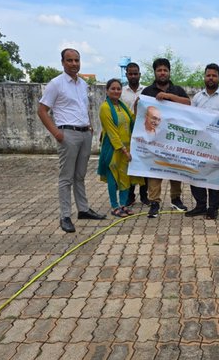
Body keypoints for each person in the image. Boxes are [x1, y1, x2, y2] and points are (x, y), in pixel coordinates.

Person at [36, 48, 106, 233]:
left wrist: (89, 125)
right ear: (62, 62)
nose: (74, 64)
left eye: (77, 60)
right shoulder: (56, 84)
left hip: (84, 133)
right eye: (70, 60)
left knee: (80, 176)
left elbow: (83, 107)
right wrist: (56, 133)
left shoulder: (82, 84)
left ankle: (83, 210)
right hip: (67, 134)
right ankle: (65, 215)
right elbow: (42, 110)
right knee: (66, 177)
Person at [140, 57, 191, 218]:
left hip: (174, 139)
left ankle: (176, 199)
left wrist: (169, 97)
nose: (162, 73)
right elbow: (141, 114)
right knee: (155, 171)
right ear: (154, 72)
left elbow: (188, 104)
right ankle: (154, 203)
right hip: (155, 140)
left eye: (165, 70)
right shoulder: (147, 92)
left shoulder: (177, 90)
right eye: (159, 70)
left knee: (175, 170)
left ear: (169, 72)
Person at [186, 63, 219, 220]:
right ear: (204, 77)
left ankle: (213, 208)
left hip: (218, 146)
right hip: (199, 145)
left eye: (214, 75)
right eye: (208, 75)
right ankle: (200, 206)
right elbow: (192, 119)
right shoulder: (197, 97)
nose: (211, 78)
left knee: (215, 175)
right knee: (195, 174)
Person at [97, 78, 141, 217]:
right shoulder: (105, 107)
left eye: (118, 89)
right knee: (113, 177)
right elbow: (112, 133)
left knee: (125, 178)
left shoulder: (122, 106)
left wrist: (136, 108)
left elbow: (132, 121)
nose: (116, 91)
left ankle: (123, 205)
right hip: (113, 149)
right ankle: (114, 206)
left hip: (126, 148)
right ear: (107, 90)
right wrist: (123, 150)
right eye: (113, 89)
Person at [120, 62, 150, 206]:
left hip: (144, 133)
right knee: (129, 163)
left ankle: (145, 195)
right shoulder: (121, 92)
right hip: (127, 133)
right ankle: (130, 196)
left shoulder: (147, 91)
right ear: (126, 75)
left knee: (144, 164)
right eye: (130, 73)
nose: (133, 76)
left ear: (139, 74)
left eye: (135, 73)